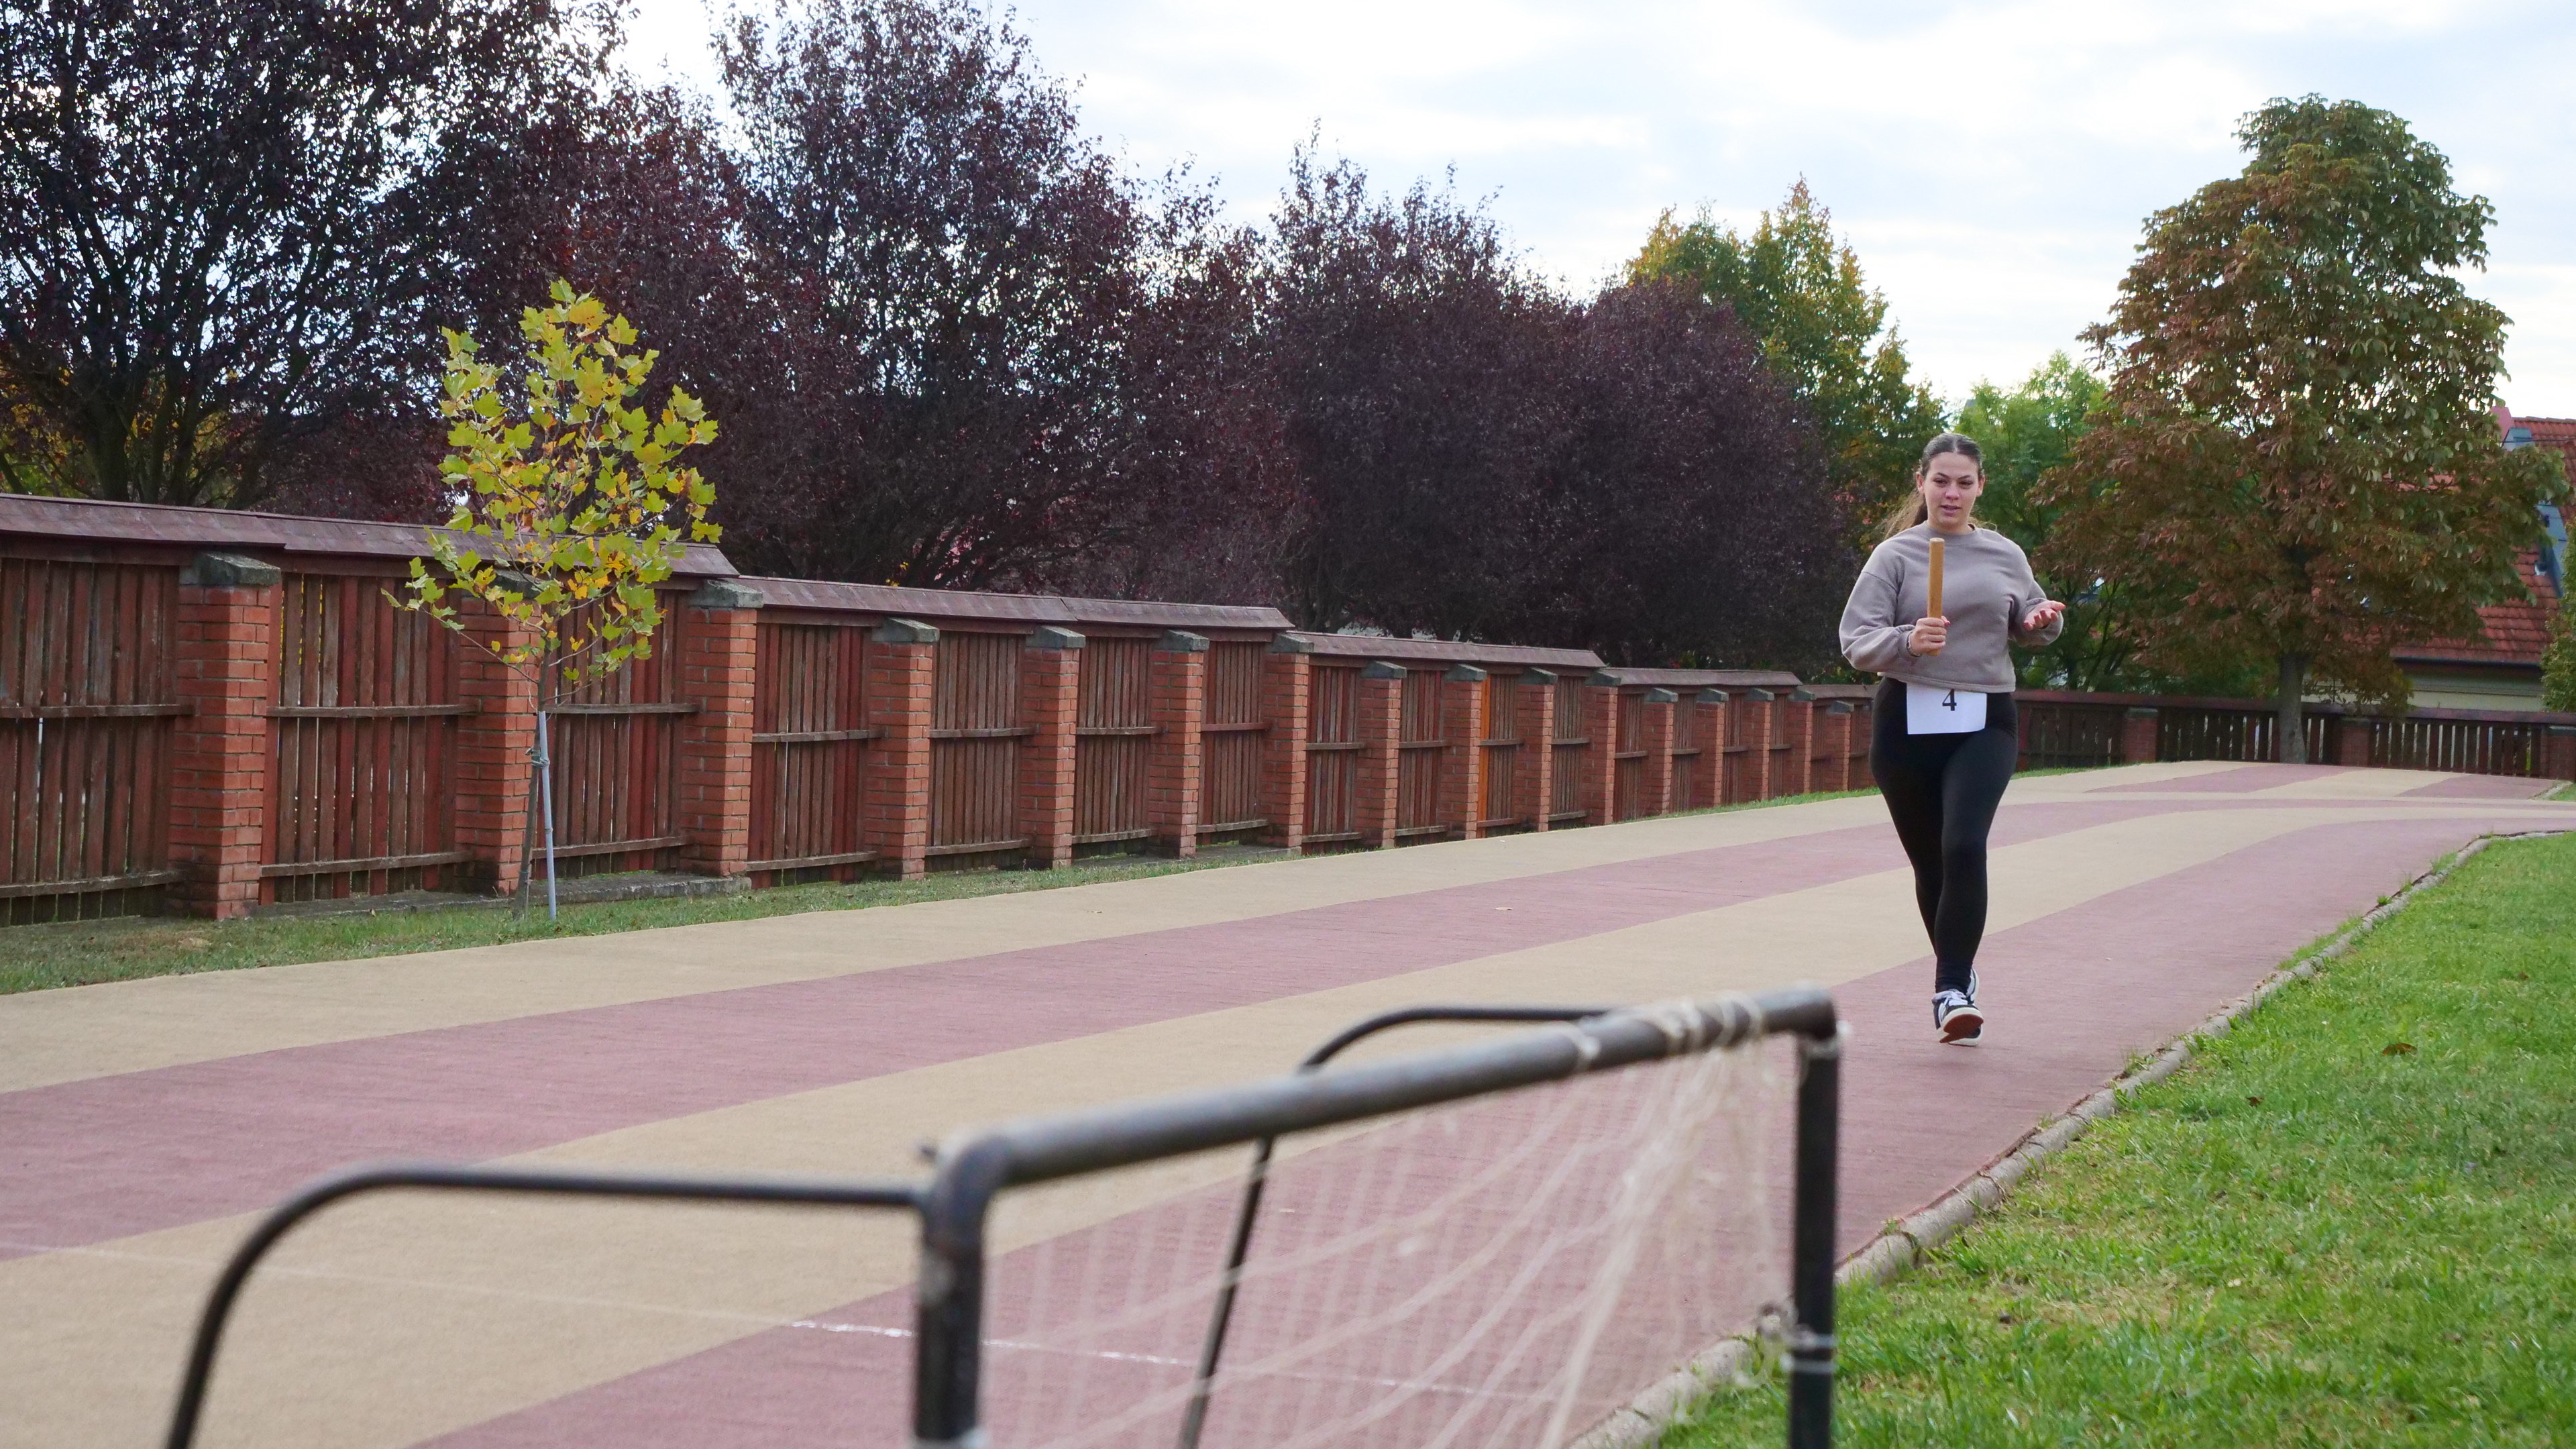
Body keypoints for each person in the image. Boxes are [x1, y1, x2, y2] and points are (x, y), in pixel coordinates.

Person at [1839, 433, 2064, 1042]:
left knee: (1964, 845)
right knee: (1932, 863)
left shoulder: (2003, 554)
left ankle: (1951, 990)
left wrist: (2040, 621)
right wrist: (1907, 641)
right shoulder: (1894, 556)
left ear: (1980, 487)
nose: (1952, 493)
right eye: (1941, 481)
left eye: (1965, 482)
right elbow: (1856, 640)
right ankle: (1958, 970)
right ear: (1922, 483)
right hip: (1906, 724)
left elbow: (2032, 617)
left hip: (1985, 718)